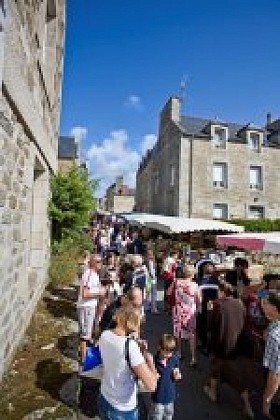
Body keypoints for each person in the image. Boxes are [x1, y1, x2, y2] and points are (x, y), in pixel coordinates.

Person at [204, 281, 257, 418]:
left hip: (220, 345)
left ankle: (213, 393)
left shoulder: (217, 305)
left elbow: (209, 327)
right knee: (237, 376)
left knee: (216, 369)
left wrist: (209, 311)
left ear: (222, 291)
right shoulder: (240, 303)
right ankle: (247, 405)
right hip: (235, 345)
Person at [98, 305, 158, 419]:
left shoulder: (105, 335)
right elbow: (152, 386)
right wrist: (149, 360)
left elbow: (119, 360)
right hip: (122, 408)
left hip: (104, 397)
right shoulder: (130, 346)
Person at [168, 264, 201, 365]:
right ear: (193, 274)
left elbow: (168, 292)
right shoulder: (195, 286)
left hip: (178, 310)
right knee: (192, 334)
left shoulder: (176, 282)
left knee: (178, 332)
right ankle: (193, 358)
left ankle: (179, 352)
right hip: (190, 312)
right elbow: (199, 300)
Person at [77, 254, 107, 361]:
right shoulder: (88, 274)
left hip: (91, 306)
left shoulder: (95, 274)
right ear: (93, 262)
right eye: (99, 262)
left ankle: (84, 354)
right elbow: (84, 293)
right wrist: (99, 292)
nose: (101, 264)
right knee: (85, 334)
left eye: (101, 261)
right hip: (86, 307)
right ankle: (83, 359)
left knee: (88, 332)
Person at [150, 334, 181, 420]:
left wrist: (177, 374)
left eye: (171, 352)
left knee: (169, 414)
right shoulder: (154, 360)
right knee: (157, 415)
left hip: (170, 395)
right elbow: (149, 375)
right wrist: (153, 375)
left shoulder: (174, 359)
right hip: (158, 396)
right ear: (159, 348)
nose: (168, 354)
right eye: (166, 351)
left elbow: (176, 369)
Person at [262, 291, 280, 419]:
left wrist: (267, 400)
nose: (262, 305)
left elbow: (275, 374)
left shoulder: (274, 336)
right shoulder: (273, 326)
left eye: (266, 303)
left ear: (274, 307)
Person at [196, 261, 219, 353]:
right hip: (214, 308)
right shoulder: (217, 281)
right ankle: (210, 345)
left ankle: (205, 345)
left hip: (204, 308)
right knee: (211, 327)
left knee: (202, 327)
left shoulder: (199, 281)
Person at [146, 249, 159, 314]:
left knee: (150, 293)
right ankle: (153, 308)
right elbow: (150, 272)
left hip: (151, 279)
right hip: (150, 279)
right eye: (150, 254)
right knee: (152, 294)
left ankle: (148, 307)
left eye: (151, 254)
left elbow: (154, 271)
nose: (151, 255)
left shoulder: (151, 261)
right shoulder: (149, 262)